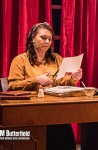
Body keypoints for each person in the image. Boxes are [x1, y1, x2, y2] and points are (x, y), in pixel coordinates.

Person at [8, 22, 82, 150]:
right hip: (32, 110)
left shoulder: (56, 59)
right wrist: (36, 80)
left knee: (64, 134)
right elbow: (13, 85)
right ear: (33, 38)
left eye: (49, 39)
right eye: (43, 37)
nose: (47, 41)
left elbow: (60, 81)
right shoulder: (20, 60)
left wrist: (73, 78)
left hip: (55, 107)